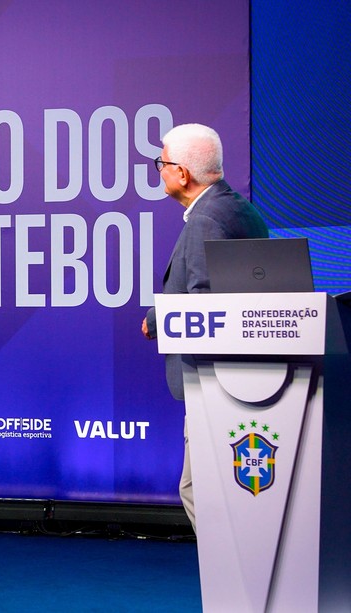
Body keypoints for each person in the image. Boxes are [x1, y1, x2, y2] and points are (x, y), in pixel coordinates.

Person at [142, 123, 269, 531]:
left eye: (161, 162)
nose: (158, 170)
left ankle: (231, 575)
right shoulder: (240, 209)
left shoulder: (205, 221)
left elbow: (204, 302)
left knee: (198, 489)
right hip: (239, 375)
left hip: (213, 378)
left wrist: (154, 319)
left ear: (182, 172)